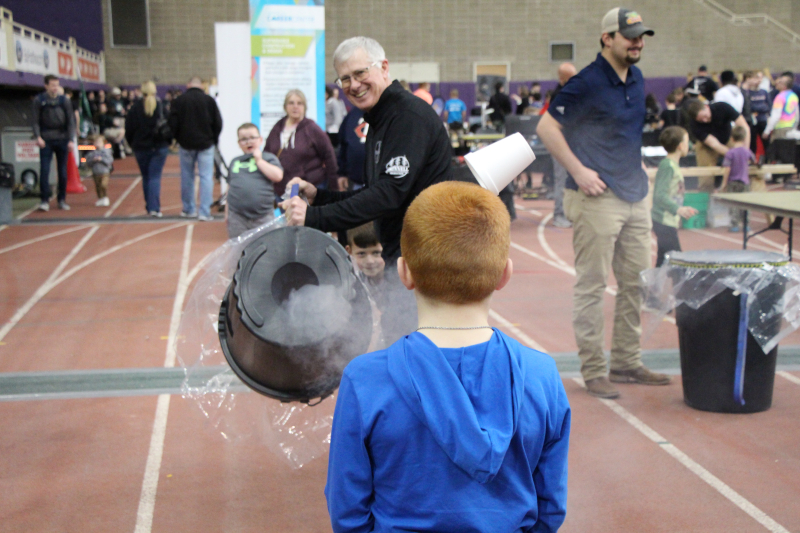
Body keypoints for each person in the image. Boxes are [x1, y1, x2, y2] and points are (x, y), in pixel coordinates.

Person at [325, 181, 571, 533]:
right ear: (505, 273)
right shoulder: (541, 374)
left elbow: (347, 509)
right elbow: (550, 505)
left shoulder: (365, 379)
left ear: (404, 272)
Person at [282, 36, 453, 345]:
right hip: (405, 257)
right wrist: (319, 197)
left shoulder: (406, 117)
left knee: (413, 352)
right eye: (345, 78)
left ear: (384, 68)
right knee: (401, 345)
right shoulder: (379, 120)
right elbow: (375, 193)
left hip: (427, 261)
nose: (354, 84)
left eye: (361, 73)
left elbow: (388, 194)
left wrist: (315, 217)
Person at [537, 7, 670, 399]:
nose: (637, 41)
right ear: (606, 39)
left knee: (635, 284)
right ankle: (595, 369)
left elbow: (623, 133)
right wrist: (578, 171)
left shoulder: (637, 77)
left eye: (641, 35)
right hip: (596, 198)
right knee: (593, 286)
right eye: (629, 35)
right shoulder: (587, 82)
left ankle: (627, 362)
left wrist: (639, 165)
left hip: (634, 194)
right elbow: (547, 127)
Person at [264, 89, 339, 198]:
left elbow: (329, 156)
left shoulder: (311, 128)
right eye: (291, 103)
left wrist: (334, 189)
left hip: (309, 188)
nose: (295, 106)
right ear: (285, 106)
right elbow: (267, 155)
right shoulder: (277, 128)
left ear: (305, 107)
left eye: (299, 103)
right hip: (283, 190)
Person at [168, 76, 223, 221]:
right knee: (206, 177)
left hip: (186, 144)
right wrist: (213, 139)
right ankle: (204, 211)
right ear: (201, 86)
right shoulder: (209, 101)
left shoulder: (179, 101)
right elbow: (218, 122)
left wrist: (178, 138)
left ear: (188, 85)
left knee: (187, 176)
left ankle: (189, 209)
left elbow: (172, 123)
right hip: (206, 144)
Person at [225, 123, 284, 239]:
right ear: (239, 143)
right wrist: (227, 213)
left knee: (266, 247)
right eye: (244, 139)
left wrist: (259, 161)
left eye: (252, 137)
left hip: (263, 215)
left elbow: (278, 176)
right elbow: (229, 187)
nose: (248, 142)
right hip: (237, 216)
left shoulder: (268, 158)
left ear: (260, 140)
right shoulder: (235, 161)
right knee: (238, 249)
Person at [651, 126, 698, 267]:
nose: (689, 145)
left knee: (664, 260)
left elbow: (672, 194)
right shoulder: (667, 166)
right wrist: (677, 209)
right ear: (680, 146)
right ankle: (680, 287)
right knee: (677, 261)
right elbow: (659, 195)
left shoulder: (673, 165)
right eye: (687, 141)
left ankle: (653, 287)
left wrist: (682, 208)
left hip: (668, 221)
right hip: (663, 221)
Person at [125, 81, 171, 217]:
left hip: (141, 148)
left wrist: (133, 144)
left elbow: (129, 129)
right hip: (159, 147)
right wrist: (168, 142)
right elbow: (169, 126)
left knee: (146, 177)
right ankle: (154, 208)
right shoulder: (162, 107)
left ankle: (149, 206)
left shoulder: (134, 109)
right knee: (154, 177)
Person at [686, 99, 750, 192]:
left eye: (705, 116)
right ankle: (707, 198)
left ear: (706, 107)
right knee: (706, 176)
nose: (705, 120)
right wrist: (733, 155)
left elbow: (745, 127)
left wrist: (744, 152)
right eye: (701, 120)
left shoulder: (722, 107)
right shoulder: (694, 125)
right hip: (707, 145)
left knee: (746, 169)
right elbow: (714, 144)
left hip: (728, 138)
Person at [32, 75, 75, 211]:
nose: (55, 87)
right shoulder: (39, 100)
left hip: (62, 139)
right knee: (44, 170)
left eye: (57, 85)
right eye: (52, 85)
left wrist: (70, 139)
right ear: (46, 86)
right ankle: (44, 200)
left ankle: (61, 199)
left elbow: (70, 121)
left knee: (62, 171)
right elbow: (35, 120)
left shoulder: (64, 101)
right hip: (46, 140)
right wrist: (38, 137)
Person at [550, 63, 578, 229]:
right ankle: (559, 214)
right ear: (562, 79)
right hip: (560, 144)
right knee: (561, 180)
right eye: (571, 77)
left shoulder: (571, 92)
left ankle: (568, 212)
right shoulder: (558, 96)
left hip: (572, 143)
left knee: (571, 180)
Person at [718, 126, 756, 233]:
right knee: (746, 204)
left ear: (732, 139)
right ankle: (746, 224)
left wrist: (724, 183)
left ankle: (734, 224)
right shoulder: (747, 151)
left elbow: (727, 169)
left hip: (732, 181)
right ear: (744, 138)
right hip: (745, 181)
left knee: (733, 204)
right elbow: (754, 160)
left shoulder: (730, 153)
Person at [763, 73, 799, 141]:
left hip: (780, 129)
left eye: (780, 82)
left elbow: (776, 116)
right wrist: (794, 127)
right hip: (790, 127)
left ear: (784, 86)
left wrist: (767, 130)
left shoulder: (780, 97)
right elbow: (796, 114)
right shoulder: (793, 96)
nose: (777, 82)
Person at [742, 71, 771, 155]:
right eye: (757, 78)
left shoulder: (764, 92)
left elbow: (768, 106)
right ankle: (752, 160)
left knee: (766, 142)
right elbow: (749, 107)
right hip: (752, 121)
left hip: (763, 120)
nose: (759, 80)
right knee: (752, 143)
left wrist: (760, 108)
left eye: (760, 78)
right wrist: (761, 107)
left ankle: (768, 161)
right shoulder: (747, 93)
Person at [85, 134, 114, 208]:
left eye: (99, 142)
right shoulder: (91, 153)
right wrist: (93, 160)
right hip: (95, 172)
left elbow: (110, 160)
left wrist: (101, 159)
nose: (97, 144)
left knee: (103, 185)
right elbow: (88, 162)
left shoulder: (106, 151)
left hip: (104, 172)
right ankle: (100, 198)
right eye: (96, 142)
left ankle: (105, 197)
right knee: (98, 186)